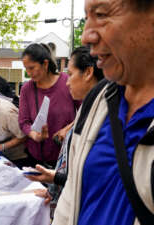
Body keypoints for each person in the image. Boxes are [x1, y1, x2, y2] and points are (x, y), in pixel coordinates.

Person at [53, 1, 154, 225]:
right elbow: (71, 199)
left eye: (100, 15)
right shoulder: (98, 100)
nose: (86, 36)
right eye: (86, 17)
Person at [24, 46, 103, 213]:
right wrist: (55, 182)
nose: (67, 81)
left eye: (71, 74)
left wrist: (68, 128)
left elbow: (95, 177)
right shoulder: (91, 109)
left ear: (88, 73)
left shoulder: (103, 117)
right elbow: (79, 176)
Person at [18, 43, 79, 168]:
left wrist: (69, 128)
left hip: (65, 159)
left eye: (32, 68)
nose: (29, 73)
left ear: (45, 64)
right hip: (36, 159)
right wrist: (34, 135)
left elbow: (86, 111)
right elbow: (23, 122)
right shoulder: (27, 89)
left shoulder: (67, 82)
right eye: (26, 69)